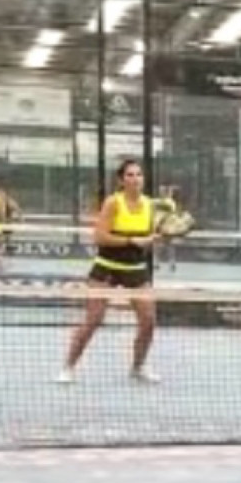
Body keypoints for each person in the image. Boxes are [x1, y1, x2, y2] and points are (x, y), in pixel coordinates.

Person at [59, 160, 161, 384]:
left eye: (139, 175)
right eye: (130, 175)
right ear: (121, 180)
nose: (135, 179)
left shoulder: (149, 205)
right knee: (94, 319)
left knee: (149, 321)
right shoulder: (113, 203)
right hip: (107, 267)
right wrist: (131, 240)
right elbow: (100, 237)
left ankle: (138, 367)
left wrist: (154, 239)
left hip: (136, 269)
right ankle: (68, 367)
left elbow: (148, 237)